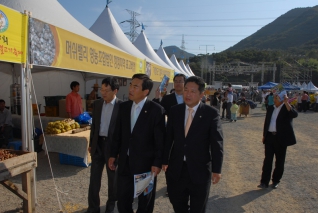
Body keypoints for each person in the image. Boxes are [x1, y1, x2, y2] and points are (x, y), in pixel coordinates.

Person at [162, 76, 224, 213]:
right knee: (177, 203)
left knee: (198, 207)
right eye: (186, 90)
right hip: (177, 168)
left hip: (200, 169)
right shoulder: (175, 111)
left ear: (202, 94)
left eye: (193, 91)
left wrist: (217, 169)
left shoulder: (211, 114)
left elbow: (217, 142)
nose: (188, 94)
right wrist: (164, 160)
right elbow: (169, 138)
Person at [108, 74, 165, 213]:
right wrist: (112, 154)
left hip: (145, 166)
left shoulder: (156, 110)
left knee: (144, 203)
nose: (131, 89)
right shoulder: (124, 107)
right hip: (125, 163)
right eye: (130, 85)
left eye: (135, 86)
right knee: (122, 200)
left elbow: (160, 140)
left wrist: (157, 163)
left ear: (146, 91)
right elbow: (117, 134)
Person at [86, 77, 122, 213]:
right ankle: (93, 208)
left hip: (112, 146)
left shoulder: (121, 106)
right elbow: (94, 126)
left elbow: (123, 131)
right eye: (102, 89)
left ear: (115, 91)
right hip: (98, 145)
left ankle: (111, 207)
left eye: (107, 90)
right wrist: (91, 143)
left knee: (113, 180)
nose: (103, 93)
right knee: (94, 179)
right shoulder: (97, 104)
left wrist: (118, 150)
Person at [258, 93, 298, 189]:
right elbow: (266, 122)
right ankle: (264, 182)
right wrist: (264, 135)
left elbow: (294, 114)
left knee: (279, 161)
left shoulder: (286, 108)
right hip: (270, 137)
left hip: (281, 138)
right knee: (268, 160)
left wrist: (286, 102)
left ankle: (276, 180)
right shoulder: (271, 108)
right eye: (275, 97)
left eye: (276, 97)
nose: (274, 98)